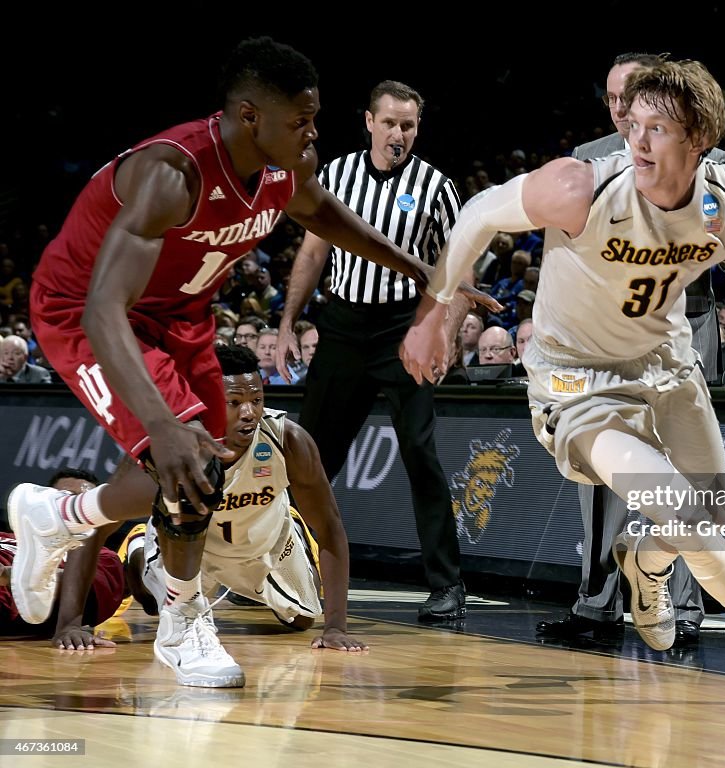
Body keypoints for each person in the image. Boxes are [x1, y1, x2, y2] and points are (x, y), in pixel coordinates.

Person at [6, 37, 477, 689]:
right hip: (86, 311)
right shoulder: (173, 175)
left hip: (178, 313)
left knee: (204, 467)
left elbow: (328, 218)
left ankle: (60, 517)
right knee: (181, 455)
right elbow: (101, 310)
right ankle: (180, 621)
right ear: (250, 117)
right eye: (301, 119)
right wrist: (162, 423)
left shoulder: (287, 165)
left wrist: (424, 270)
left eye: (315, 117)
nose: (313, 131)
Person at [400, 59, 725, 712]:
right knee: (684, 509)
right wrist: (437, 312)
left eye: (658, 129)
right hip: (577, 385)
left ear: (697, 139)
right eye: (633, 124)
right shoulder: (579, 187)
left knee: (707, 515)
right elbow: (478, 213)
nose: (637, 142)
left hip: (666, 368)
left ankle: (643, 560)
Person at [276, 80, 498, 623]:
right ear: (369, 122)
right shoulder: (336, 176)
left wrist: (444, 331)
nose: (400, 133)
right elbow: (312, 253)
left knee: (421, 456)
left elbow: (457, 268)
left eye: (410, 125)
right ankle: (274, 571)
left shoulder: (436, 186)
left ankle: (447, 585)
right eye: (391, 122)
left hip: (405, 326)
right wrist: (286, 322)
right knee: (310, 458)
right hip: (344, 325)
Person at [545, 52, 719, 647]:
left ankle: (684, 603)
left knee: (693, 477)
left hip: (684, 324)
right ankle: (596, 604)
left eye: (633, 98)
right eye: (615, 101)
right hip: (604, 341)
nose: (623, 111)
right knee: (601, 473)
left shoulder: (706, 161)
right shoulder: (588, 164)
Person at [50, 345, 363, 657]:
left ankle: (275, 550)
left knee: (302, 620)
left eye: (256, 400)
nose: (249, 412)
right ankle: (139, 552)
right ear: (207, 399)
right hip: (191, 552)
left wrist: (336, 627)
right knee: (160, 609)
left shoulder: (287, 440)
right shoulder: (167, 446)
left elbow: (330, 527)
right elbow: (95, 525)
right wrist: (70, 623)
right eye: (235, 402)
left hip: (266, 546)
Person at [1, 469, 124, 639]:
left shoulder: (104, 557)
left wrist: (10, 575)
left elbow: (83, 591)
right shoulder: (5, 536)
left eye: (85, 503)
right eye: (64, 499)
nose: (74, 511)